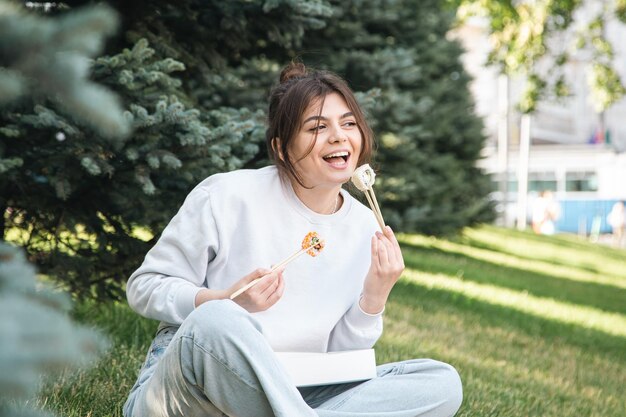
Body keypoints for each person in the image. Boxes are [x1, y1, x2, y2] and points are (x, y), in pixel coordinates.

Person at [122, 62, 463, 417]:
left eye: (348, 123)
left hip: (300, 393)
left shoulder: (365, 227)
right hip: (196, 394)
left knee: (440, 381)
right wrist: (223, 299)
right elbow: (145, 286)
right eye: (318, 127)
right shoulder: (226, 196)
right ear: (282, 149)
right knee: (215, 319)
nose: (339, 136)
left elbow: (344, 362)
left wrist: (374, 296)